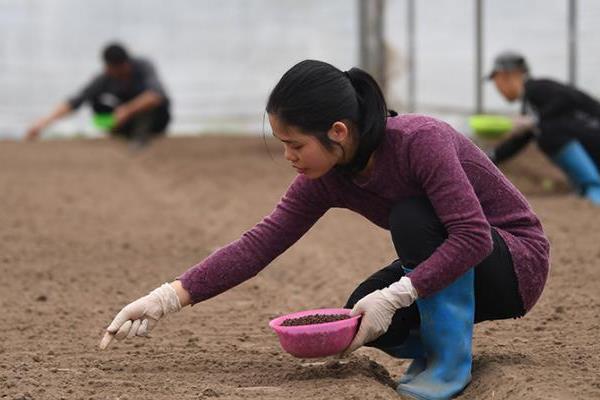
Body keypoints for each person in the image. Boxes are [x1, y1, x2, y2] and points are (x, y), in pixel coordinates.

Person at [99, 60, 550, 400]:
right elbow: (260, 243)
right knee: (360, 315)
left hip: (512, 262)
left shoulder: (419, 142)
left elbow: (471, 236)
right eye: (282, 145)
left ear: (337, 131)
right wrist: (168, 297)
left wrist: (399, 293)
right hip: (454, 259)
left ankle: (449, 364)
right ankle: (435, 349)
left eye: (295, 144)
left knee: (411, 218)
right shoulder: (328, 178)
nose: (288, 157)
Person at [486, 50, 600, 204]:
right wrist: (488, 157)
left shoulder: (537, 88)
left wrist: (534, 120)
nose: (498, 88)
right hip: (588, 137)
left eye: (497, 81)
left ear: (509, 75)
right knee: (544, 132)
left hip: (591, 135)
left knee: (548, 134)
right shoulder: (532, 105)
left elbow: (566, 98)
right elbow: (520, 140)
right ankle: (587, 189)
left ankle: (592, 190)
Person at [25, 42, 170, 147]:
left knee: (148, 102)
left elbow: (156, 95)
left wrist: (126, 111)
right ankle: (114, 132)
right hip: (124, 123)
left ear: (125, 64)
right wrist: (43, 123)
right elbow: (75, 101)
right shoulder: (106, 77)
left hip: (157, 122)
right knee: (96, 106)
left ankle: (140, 138)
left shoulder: (143, 66)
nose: (109, 71)